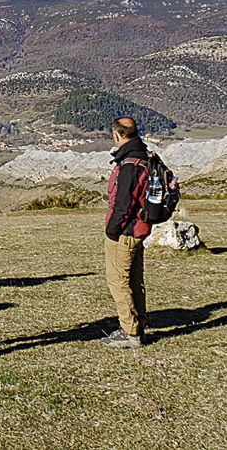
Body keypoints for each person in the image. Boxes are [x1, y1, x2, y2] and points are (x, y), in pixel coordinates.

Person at [101, 116, 149, 349]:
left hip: (126, 231)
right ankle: (139, 324)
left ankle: (129, 332)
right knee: (134, 279)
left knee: (118, 280)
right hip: (140, 228)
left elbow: (123, 205)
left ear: (117, 135)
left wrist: (112, 231)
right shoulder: (145, 156)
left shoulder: (129, 164)